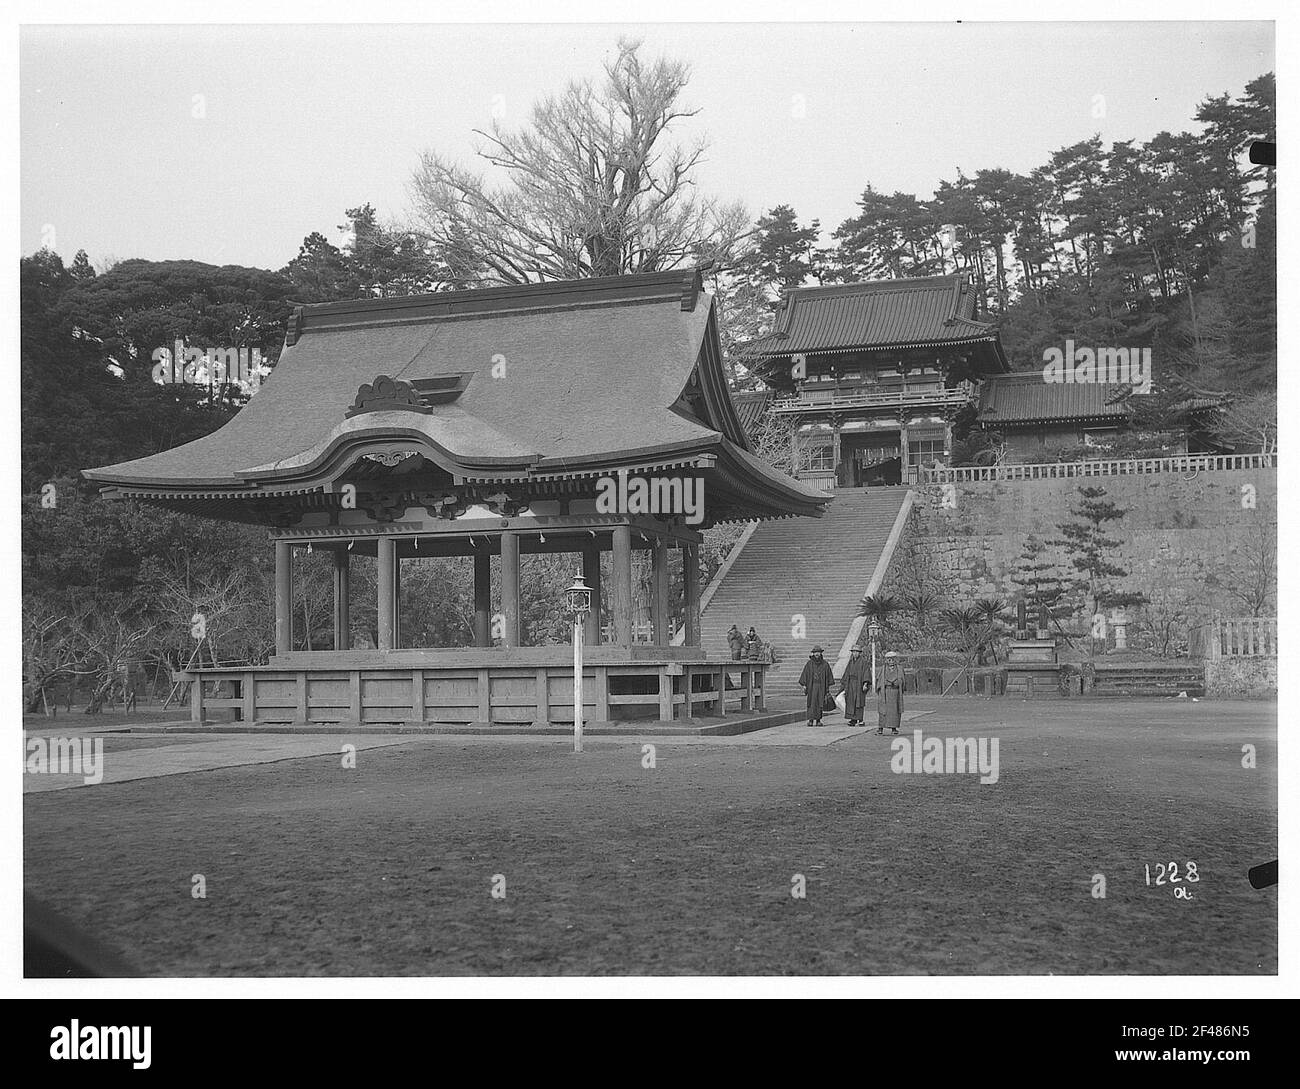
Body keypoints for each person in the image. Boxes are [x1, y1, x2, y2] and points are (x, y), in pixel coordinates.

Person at [799, 645, 835, 728]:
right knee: (811, 703)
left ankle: (818, 720)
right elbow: (805, 674)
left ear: (821, 653)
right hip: (812, 686)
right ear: (813, 653)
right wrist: (804, 685)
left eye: (818, 652)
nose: (817, 654)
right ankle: (810, 720)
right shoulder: (809, 664)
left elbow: (829, 676)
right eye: (815, 652)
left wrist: (827, 687)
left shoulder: (825, 664)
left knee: (820, 703)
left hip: (821, 686)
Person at [837, 645, 872, 728]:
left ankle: (860, 720)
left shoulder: (863, 662)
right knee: (850, 702)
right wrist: (844, 684)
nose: (855, 653)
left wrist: (865, 683)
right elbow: (846, 674)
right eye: (853, 652)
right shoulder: (851, 662)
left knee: (859, 702)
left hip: (859, 684)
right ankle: (853, 719)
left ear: (859, 653)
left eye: (856, 652)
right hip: (850, 684)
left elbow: (866, 673)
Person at [876, 651, 904, 736]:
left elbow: (903, 680)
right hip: (885, 692)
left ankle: (894, 728)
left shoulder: (899, 669)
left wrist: (897, 683)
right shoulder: (883, 669)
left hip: (895, 693)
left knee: (894, 711)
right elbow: (879, 680)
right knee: (883, 711)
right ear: (886, 660)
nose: (891, 661)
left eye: (892, 659)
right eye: (889, 659)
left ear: (895, 660)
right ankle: (880, 728)